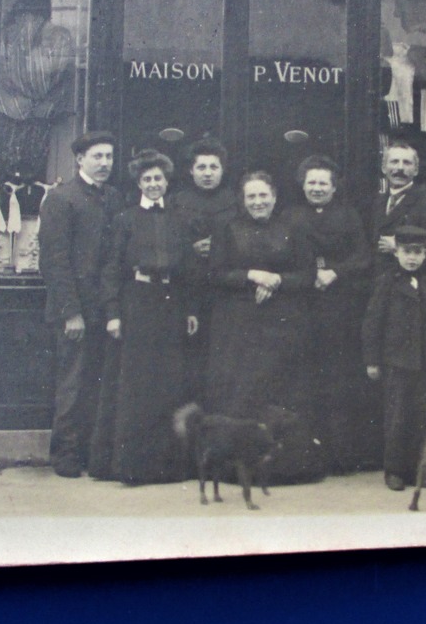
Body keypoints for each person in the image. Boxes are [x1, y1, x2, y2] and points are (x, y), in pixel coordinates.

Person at [89, 150, 200, 486]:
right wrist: (112, 313)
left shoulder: (179, 220)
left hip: (170, 304)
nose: (153, 184)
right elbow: (111, 269)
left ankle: (167, 467)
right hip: (137, 303)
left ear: (167, 183)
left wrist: (191, 309)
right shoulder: (125, 219)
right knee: (136, 386)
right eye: (147, 179)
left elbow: (190, 271)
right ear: (139, 183)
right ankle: (131, 466)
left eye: (159, 179)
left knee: (167, 383)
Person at [206, 171, 323, 482]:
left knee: (284, 391)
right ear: (243, 201)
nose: (258, 202)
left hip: (283, 324)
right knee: (244, 394)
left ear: (274, 197)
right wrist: (252, 275)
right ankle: (241, 468)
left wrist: (278, 281)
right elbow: (215, 274)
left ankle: (287, 469)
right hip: (240, 326)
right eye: (251, 197)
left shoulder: (293, 228)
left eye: (263, 196)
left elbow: (307, 274)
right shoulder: (228, 228)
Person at [39, 131, 123, 478]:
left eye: (109, 157)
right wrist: (70, 312)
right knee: (73, 384)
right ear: (80, 160)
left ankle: (93, 451)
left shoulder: (115, 198)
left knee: (101, 382)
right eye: (97, 157)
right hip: (75, 310)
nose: (104, 163)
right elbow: (54, 261)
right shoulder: (62, 198)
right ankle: (66, 455)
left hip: (106, 308)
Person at [295, 154, 377, 474]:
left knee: (339, 379)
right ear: (303, 185)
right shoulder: (291, 215)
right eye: (311, 183)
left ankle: (341, 454)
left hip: (340, 307)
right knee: (305, 379)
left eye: (323, 183)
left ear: (333, 187)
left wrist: (335, 272)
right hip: (302, 306)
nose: (317, 188)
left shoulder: (348, 215)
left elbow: (363, 258)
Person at [362, 225, 426, 491]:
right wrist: (372, 360)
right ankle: (394, 470)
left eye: (418, 253)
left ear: (425, 255)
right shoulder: (387, 282)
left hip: (422, 362)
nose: (412, 258)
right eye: (407, 252)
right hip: (396, 362)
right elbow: (373, 322)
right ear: (396, 252)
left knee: (420, 417)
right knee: (397, 418)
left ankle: (415, 470)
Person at [169, 137, 238, 402]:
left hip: (224, 290)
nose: (208, 173)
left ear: (222, 170)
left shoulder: (234, 201)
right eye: (201, 167)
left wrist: (220, 247)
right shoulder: (178, 201)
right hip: (188, 289)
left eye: (214, 167)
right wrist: (191, 247)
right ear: (190, 170)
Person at [371, 141, 426, 278]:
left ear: (416, 170)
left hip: (411, 284)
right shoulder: (377, 202)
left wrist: (399, 248)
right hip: (379, 284)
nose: (400, 168)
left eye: (407, 163)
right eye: (394, 162)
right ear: (384, 168)